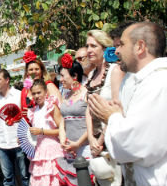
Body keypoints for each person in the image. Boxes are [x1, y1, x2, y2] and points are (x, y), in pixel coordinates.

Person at [89, 22, 167, 186]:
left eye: (122, 44)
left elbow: (131, 145)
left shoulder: (158, 83)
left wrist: (111, 116)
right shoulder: (137, 80)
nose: (116, 51)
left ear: (140, 47)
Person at [84, 30, 125, 157]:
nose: (89, 50)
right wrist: (91, 138)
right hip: (96, 142)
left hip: (112, 138)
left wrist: (101, 140)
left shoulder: (115, 71)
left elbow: (116, 108)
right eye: (87, 46)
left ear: (105, 48)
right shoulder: (91, 74)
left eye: (93, 46)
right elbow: (88, 109)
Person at [56, 53, 92, 185]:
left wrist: (78, 144)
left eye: (63, 76)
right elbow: (63, 121)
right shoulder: (66, 95)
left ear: (75, 76)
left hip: (84, 148)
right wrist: (62, 139)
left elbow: (92, 124)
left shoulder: (86, 93)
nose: (61, 79)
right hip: (68, 149)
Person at [0, 69, 29, 186]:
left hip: (19, 143)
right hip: (2, 145)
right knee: (7, 179)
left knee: (25, 176)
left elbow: (26, 117)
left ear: (7, 80)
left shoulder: (19, 95)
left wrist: (24, 135)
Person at [27, 79, 64, 186]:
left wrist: (42, 131)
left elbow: (61, 130)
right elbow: (35, 132)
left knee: (54, 179)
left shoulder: (51, 106)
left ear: (46, 92)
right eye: (34, 93)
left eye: (39, 92)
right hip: (38, 151)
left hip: (52, 150)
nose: (36, 96)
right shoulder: (33, 111)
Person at [20, 51, 62, 124]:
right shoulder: (25, 90)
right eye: (31, 70)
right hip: (30, 131)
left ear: (42, 71)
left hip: (48, 129)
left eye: (37, 69)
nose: (34, 72)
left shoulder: (48, 86)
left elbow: (60, 107)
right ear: (27, 72)